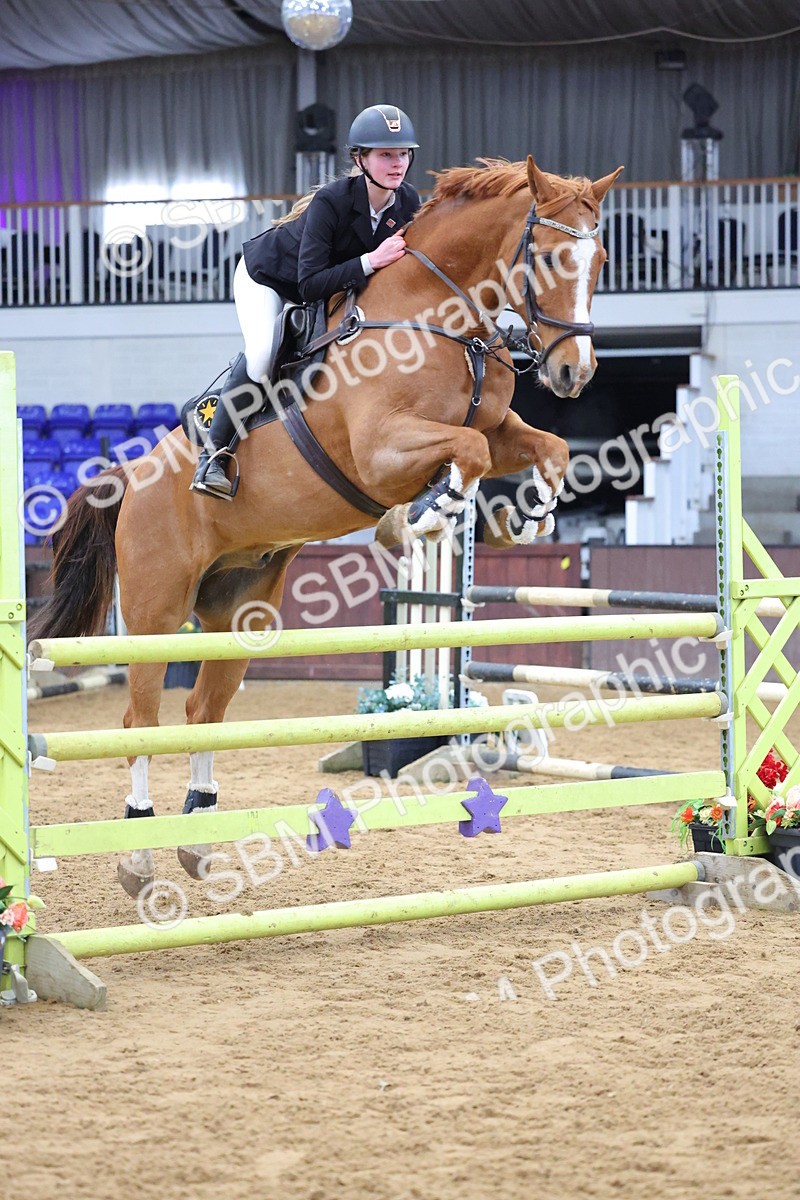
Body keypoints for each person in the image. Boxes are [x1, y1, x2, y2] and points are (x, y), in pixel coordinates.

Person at [191, 103, 421, 499]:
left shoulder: (407, 201)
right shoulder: (332, 201)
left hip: (327, 287)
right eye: (385, 154)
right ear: (360, 158)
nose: (397, 163)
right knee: (263, 354)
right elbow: (311, 282)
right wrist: (371, 261)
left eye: (402, 154)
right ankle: (212, 457)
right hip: (269, 277)